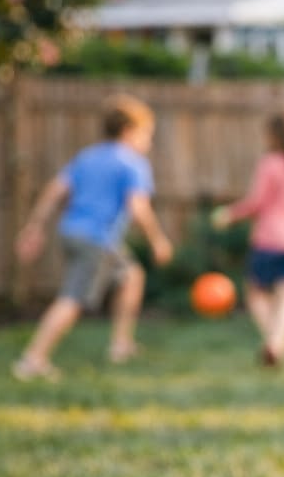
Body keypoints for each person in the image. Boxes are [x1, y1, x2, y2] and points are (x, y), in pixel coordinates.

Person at [12, 94, 174, 379]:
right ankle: (33, 359)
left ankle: (121, 345)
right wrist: (158, 240)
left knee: (132, 276)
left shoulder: (87, 157)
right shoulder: (132, 163)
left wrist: (35, 226)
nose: (148, 142)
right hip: (96, 240)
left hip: (72, 232)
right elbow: (138, 207)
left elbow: (55, 191)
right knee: (73, 298)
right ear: (128, 131)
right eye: (146, 134)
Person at [211, 111, 284, 367]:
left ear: (273, 136)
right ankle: (279, 343)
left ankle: (272, 341)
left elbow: (256, 203)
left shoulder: (271, 163)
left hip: (270, 240)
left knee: (256, 294)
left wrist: (229, 215)